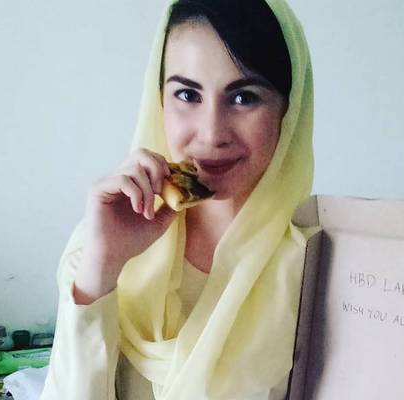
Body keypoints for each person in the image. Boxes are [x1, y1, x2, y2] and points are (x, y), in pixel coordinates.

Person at [40, 0, 315, 398]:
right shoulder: (96, 246)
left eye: (244, 98)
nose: (211, 133)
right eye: (187, 94)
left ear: (288, 110)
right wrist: (102, 269)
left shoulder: (317, 268)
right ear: (160, 101)